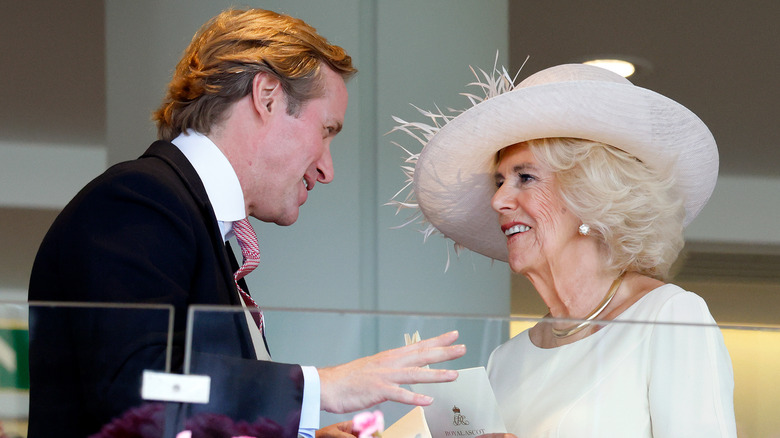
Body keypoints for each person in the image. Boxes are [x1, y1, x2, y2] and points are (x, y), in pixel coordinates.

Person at [27, 8, 465, 438]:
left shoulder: (194, 223)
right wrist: (320, 385)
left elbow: (185, 416)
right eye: (327, 130)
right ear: (267, 96)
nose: (328, 169)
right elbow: (135, 384)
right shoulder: (138, 198)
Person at [390, 63, 737, 436]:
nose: (499, 200)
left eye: (525, 177)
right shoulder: (507, 359)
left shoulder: (668, 316)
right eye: (499, 181)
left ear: (590, 194)